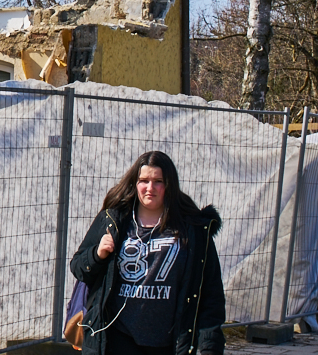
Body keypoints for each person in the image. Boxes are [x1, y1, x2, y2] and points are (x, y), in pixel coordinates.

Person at [70, 150, 225, 355]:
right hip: (117, 337)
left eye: (158, 181)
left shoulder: (194, 230)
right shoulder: (113, 219)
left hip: (169, 342)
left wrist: (209, 348)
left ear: (170, 185)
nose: (150, 188)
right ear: (135, 183)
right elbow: (79, 267)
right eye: (144, 180)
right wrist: (97, 255)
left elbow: (211, 295)